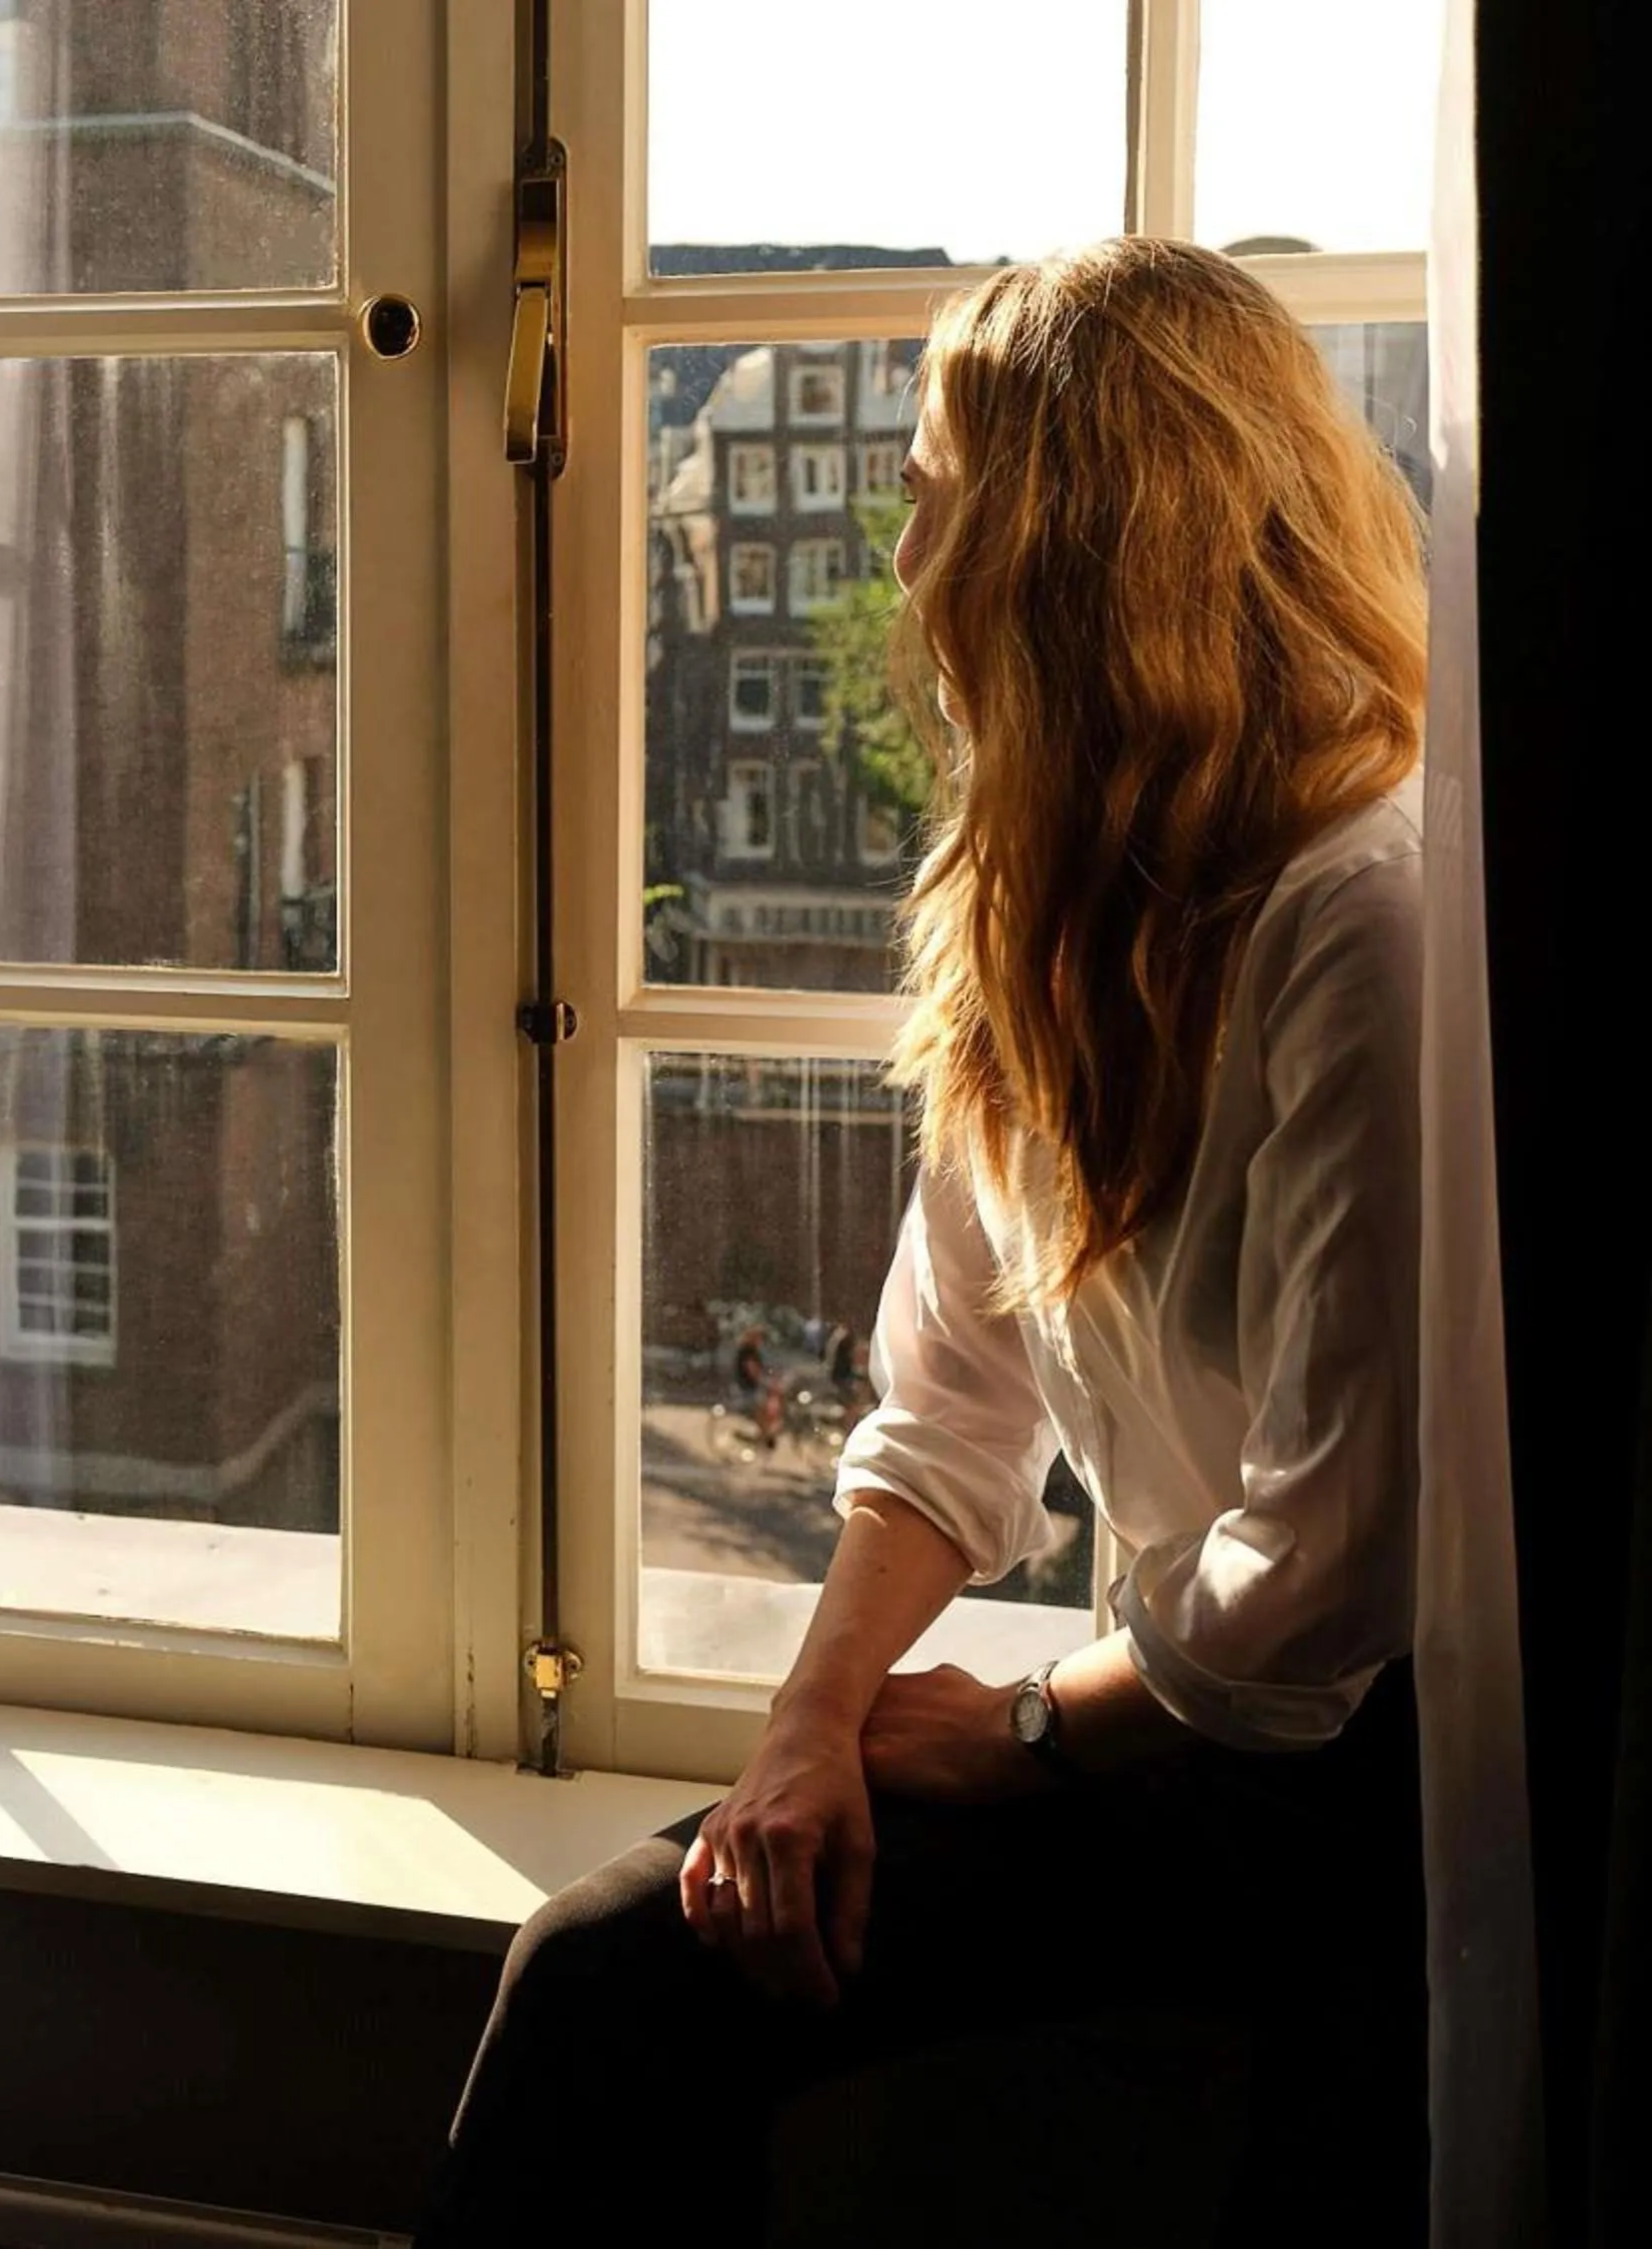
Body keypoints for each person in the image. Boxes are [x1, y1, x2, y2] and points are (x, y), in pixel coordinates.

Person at [422, 239, 1431, 2244]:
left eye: (928, 504)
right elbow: (949, 1410)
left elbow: (1327, 1584)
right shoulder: (1030, 909)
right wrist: (806, 1738)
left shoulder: (1365, 920)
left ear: (1074, 549)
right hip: (1173, 1723)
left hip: (1377, 1788)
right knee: (605, 1980)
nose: (902, 572)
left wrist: (1030, 1726)